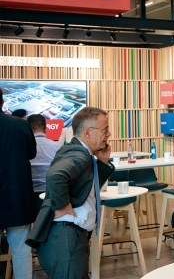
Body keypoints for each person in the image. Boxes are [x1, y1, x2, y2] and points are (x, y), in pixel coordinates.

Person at [27, 106, 114, 279]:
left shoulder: (79, 151)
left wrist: (102, 163)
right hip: (66, 238)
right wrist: (63, 205)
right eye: (105, 130)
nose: (109, 134)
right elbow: (55, 176)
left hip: (69, 236)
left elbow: (86, 188)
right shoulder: (79, 154)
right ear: (87, 133)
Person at [0, 88, 37, 279]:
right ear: (2, 102)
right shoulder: (20, 125)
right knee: (21, 248)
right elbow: (31, 153)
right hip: (16, 195)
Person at [28, 114, 61, 213]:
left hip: (27, 194)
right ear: (46, 130)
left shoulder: (22, 147)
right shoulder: (57, 147)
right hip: (50, 194)